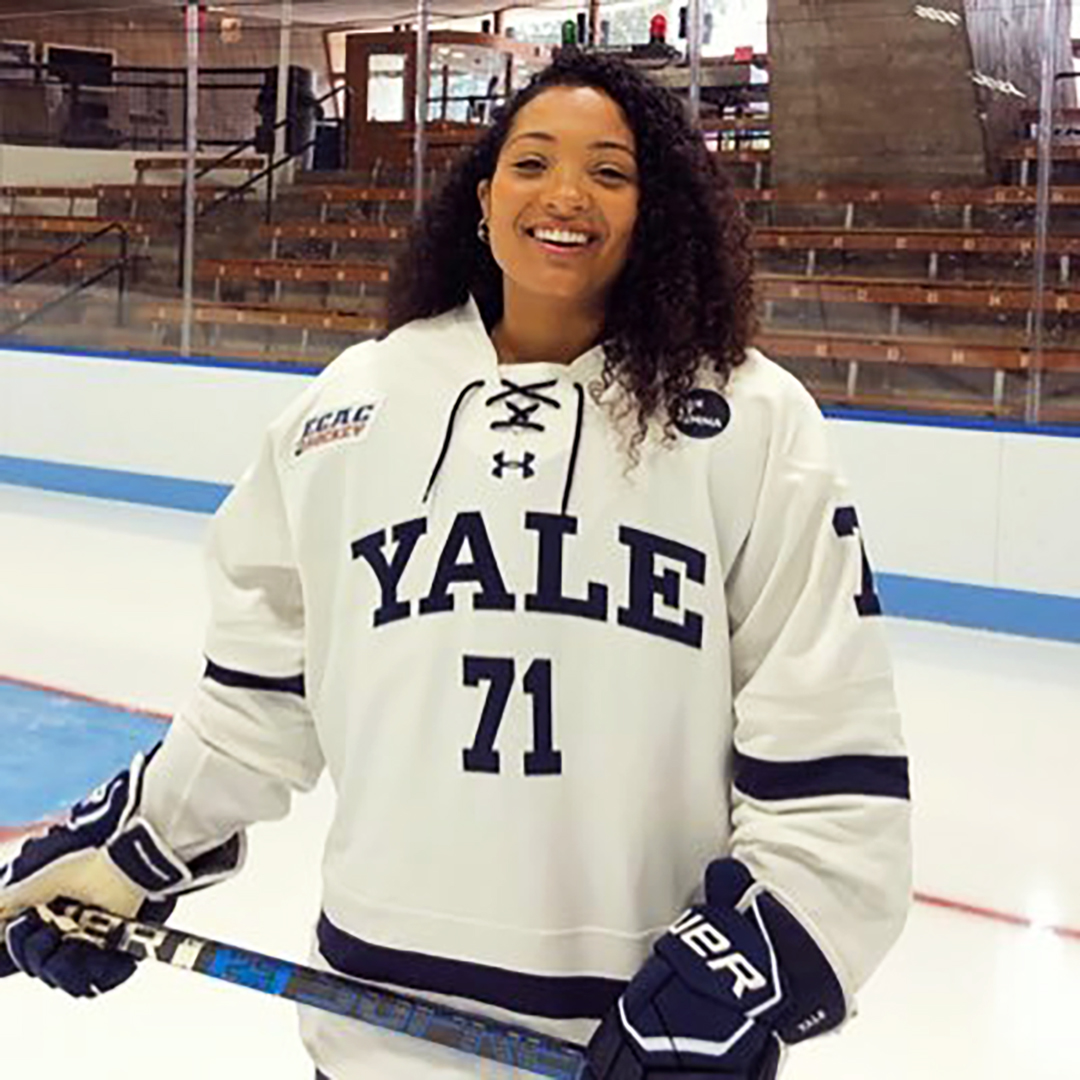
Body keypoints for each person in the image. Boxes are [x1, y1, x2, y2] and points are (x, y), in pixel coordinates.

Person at [0, 49, 911, 1080]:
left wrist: (754, 965)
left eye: (610, 173)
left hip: (624, 1045)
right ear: (483, 197)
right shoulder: (353, 403)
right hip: (367, 1036)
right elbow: (262, 699)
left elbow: (832, 763)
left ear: (655, 212)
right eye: (533, 163)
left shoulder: (751, 420)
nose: (566, 194)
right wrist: (136, 845)